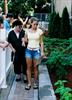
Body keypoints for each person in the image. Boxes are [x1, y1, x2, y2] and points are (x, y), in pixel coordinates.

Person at [24, 17, 45, 90]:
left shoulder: (40, 32)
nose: (35, 26)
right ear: (31, 24)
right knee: (28, 67)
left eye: (37, 24)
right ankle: (29, 83)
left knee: (35, 68)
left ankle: (35, 83)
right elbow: (26, 40)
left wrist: (42, 51)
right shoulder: (27, 31)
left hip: (37, 52)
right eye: (34, 24)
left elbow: (41, 42)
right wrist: (23, 40)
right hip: (28, 51)